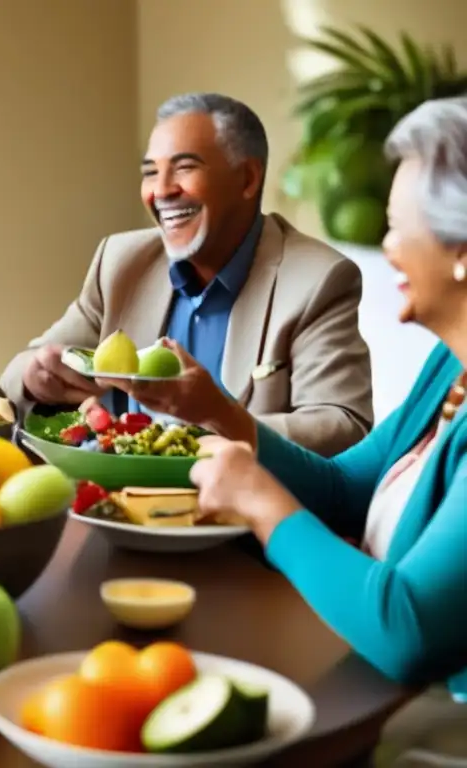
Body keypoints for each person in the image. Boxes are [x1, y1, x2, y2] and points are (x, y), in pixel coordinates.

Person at [189, 96, 467, 702]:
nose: (384, 246)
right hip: (376, 691)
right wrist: (218, 412)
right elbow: (345, 489)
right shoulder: (451, 366)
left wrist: (264, 508)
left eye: (397, 226)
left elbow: (407, 628)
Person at [0, 93, 373, 457]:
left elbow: (343, 425)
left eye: (184, 168)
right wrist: (36, 378)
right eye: (151, 173)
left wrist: (216, 424)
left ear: (246, 179)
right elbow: (19, 374)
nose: (161, 191)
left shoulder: (317, 279)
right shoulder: (120, 262)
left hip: (239, 511)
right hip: (117, 504)